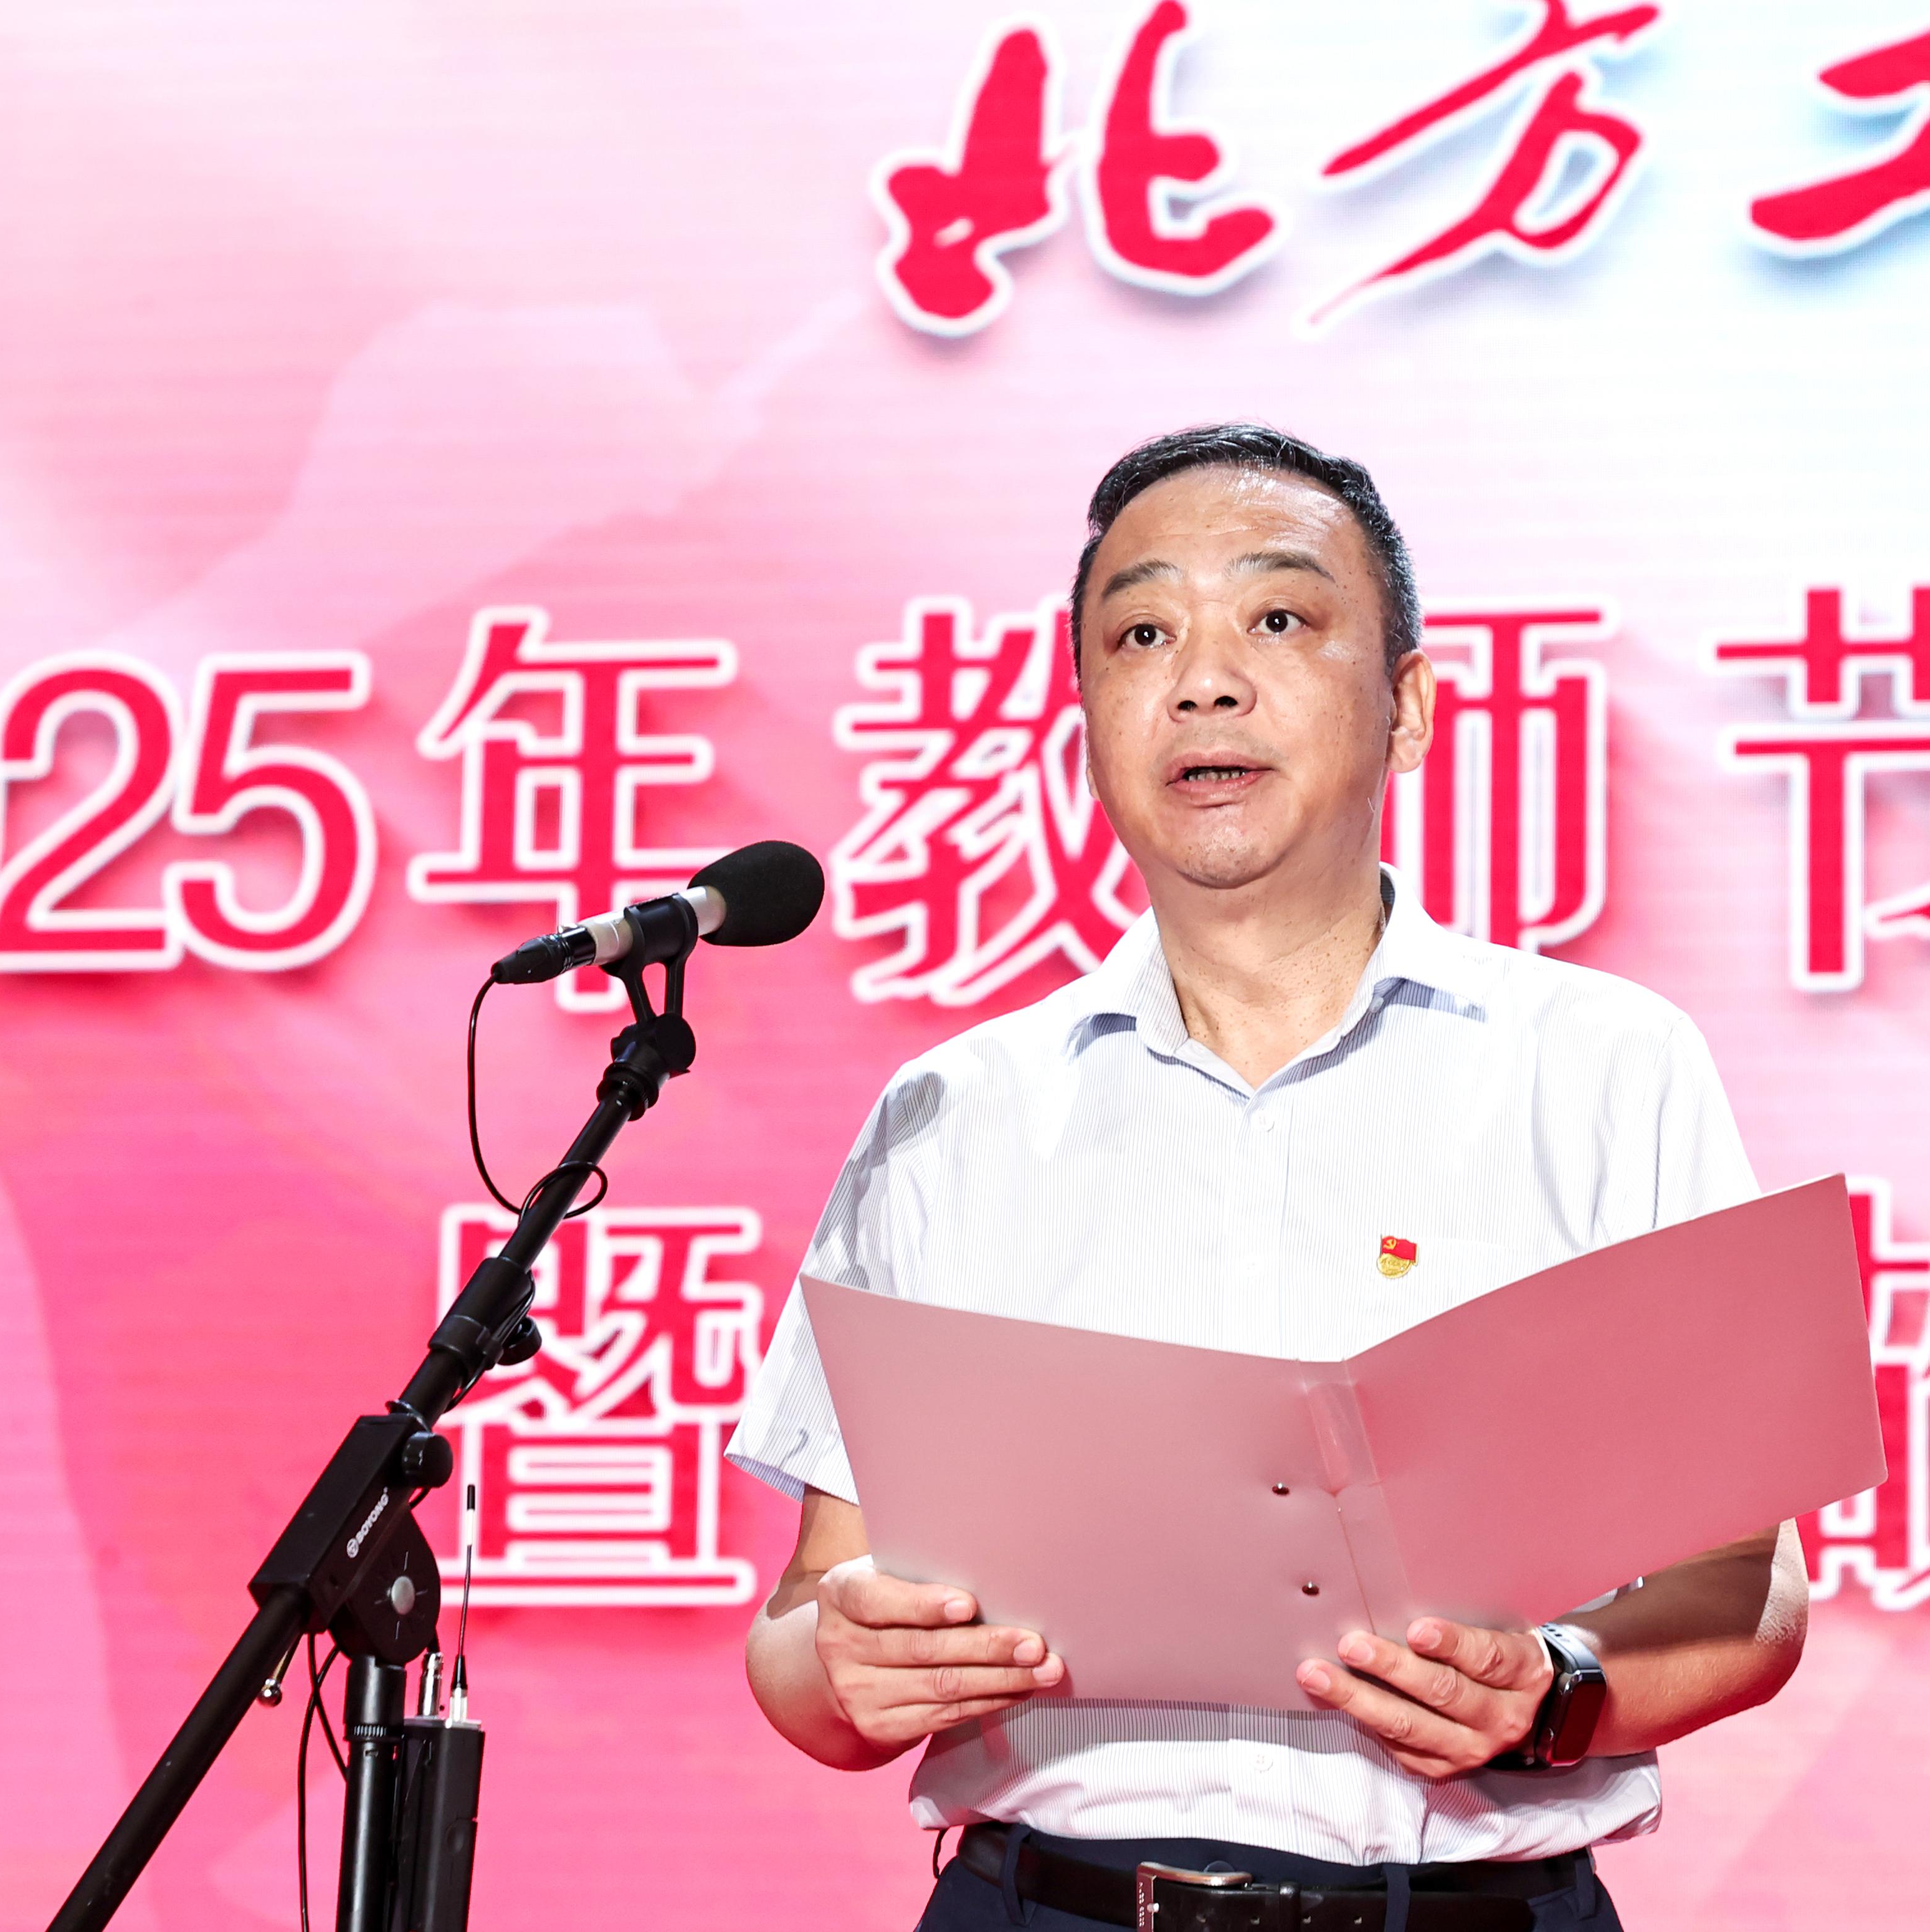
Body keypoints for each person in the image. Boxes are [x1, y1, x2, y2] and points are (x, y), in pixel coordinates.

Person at [731, 424, 1809, 1932]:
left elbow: (1751, 1590)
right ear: (1088, 721)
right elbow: (807, 1626)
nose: (1203, 681)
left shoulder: (1605, 1065)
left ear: (1407, 707)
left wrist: (1559, 1690)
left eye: (1280, 619)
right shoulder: (950, 1115)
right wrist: (843, 1669)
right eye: (1142, 635)